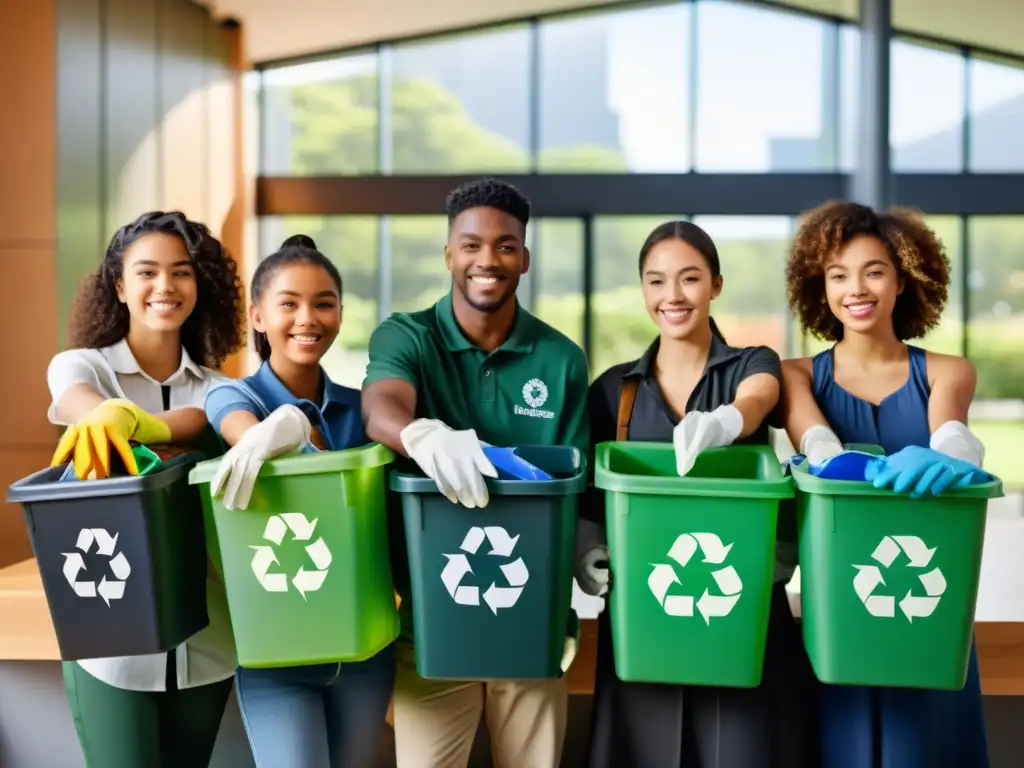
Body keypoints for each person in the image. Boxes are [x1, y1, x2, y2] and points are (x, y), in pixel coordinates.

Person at [361, 178, 590, 768]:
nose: (488, 259)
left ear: (525, 258)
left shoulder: (560, 359)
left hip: (532, 627)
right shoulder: (407, 335)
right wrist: (420, 432)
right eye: (471, 245)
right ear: (448, 255)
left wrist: (587, 547)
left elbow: (573, 486)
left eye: (506, 246)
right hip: (429, 632)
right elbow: (381, 405)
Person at [580, 220, 819, 768]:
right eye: (657, 281)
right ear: (643, 289)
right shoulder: (614, 391)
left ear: (715, 285)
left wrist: (729, 419)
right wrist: (586, 552)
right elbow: (591, 502)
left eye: (689, 279)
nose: (673, 296)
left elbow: (762, 394)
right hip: (645, 613)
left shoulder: (750, 365)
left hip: (740, 606)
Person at [781, 200, 989, 768]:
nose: (857, 288)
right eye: (838, 274)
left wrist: (953, 453)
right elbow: (816, 443)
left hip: (929, 608)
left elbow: (951, 433)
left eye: (873, 271)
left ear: (903, 278)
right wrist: (831, 460)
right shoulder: (796, 375)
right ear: (818, 286)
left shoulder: (947, 370)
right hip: (841, 612)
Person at [46, 211, 246, 767]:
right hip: (108, 638)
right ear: (120, 286)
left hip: (207, 642)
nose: (166, 287)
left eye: (181, 272)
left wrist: (147, 427)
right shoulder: (85, 367)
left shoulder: (222, 390)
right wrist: (108, 413)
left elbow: (212, 421)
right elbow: (72, 397)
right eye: (148, 272)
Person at [203, 234, 395, 768]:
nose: (307, 318)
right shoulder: (235, 395)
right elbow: (241, 431)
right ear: (258, 316)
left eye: (323, 303)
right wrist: (284, 423)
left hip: (364, 651)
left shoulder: (363, 411)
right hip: (275, 655)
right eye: (288, 304)